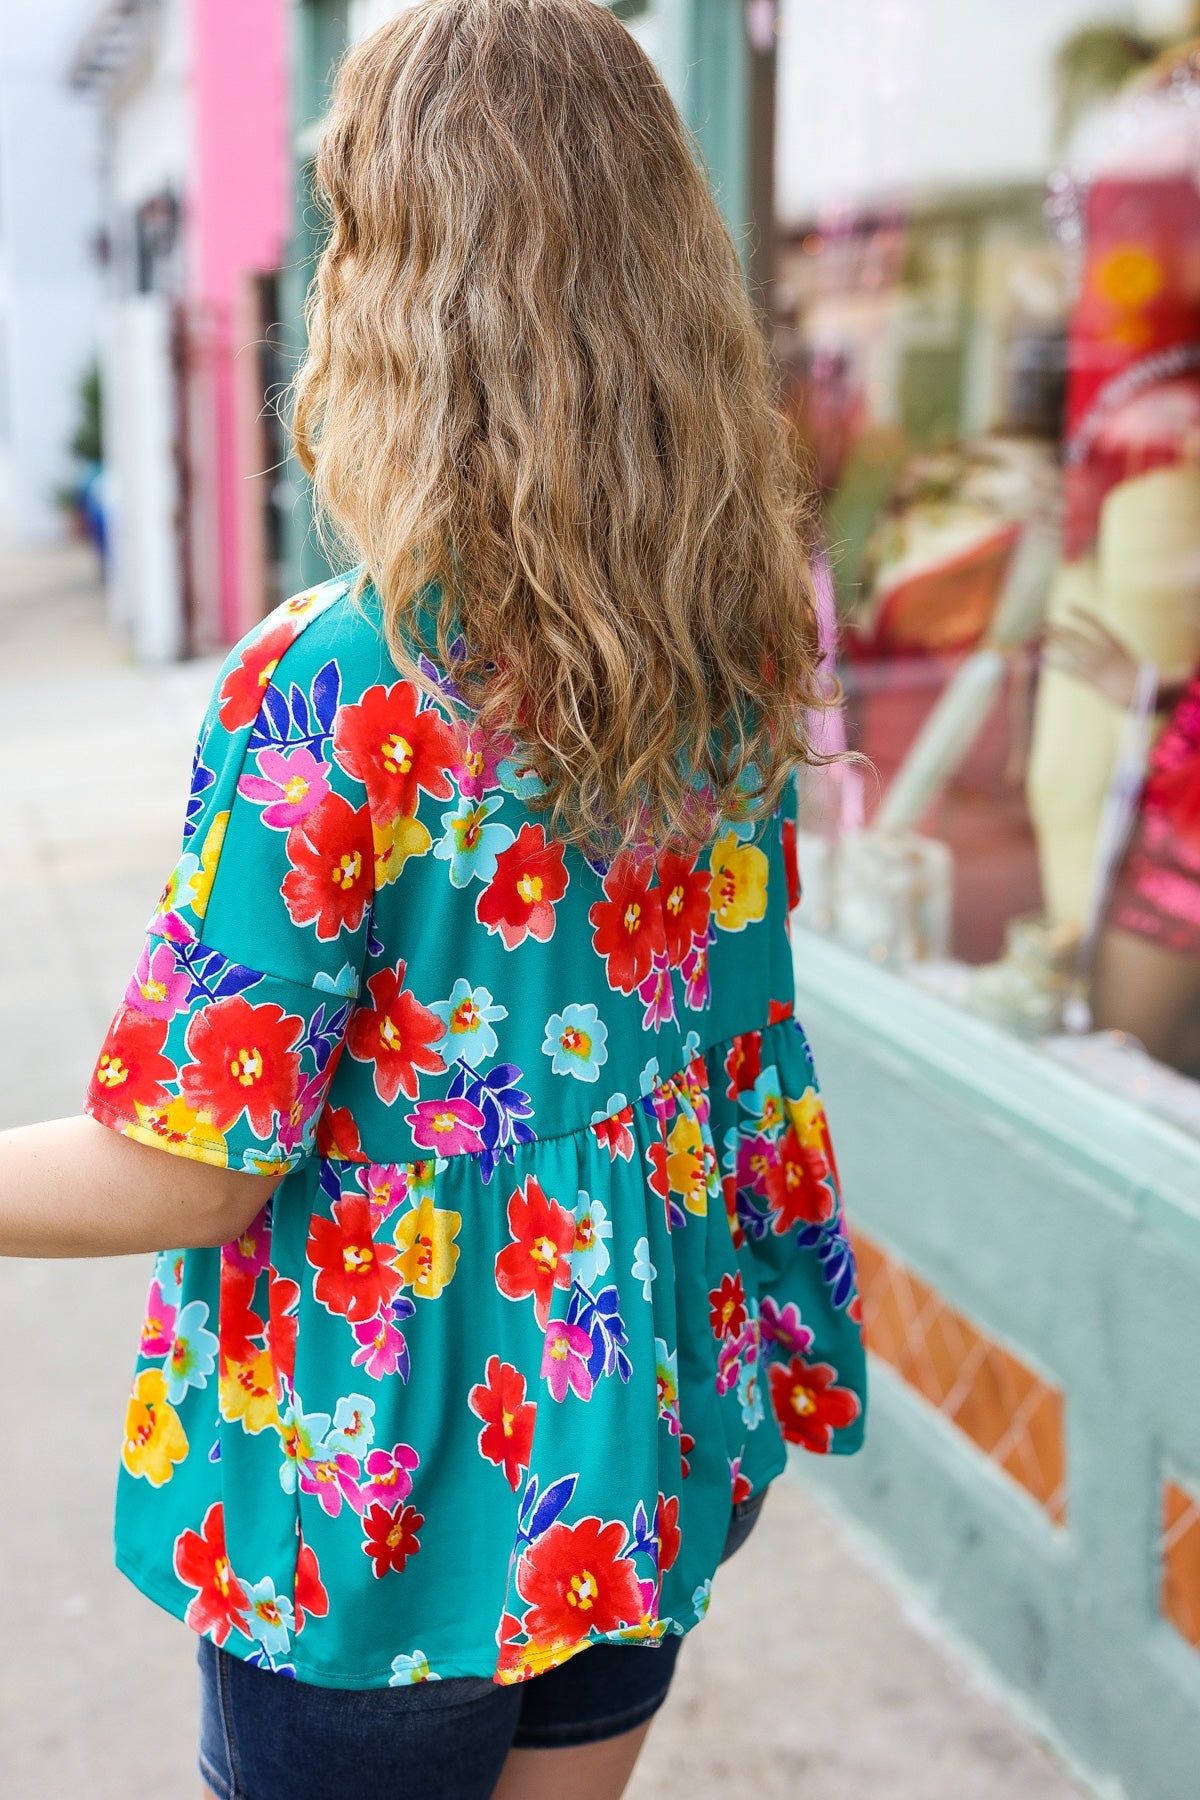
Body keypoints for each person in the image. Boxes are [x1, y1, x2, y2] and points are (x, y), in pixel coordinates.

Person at [0, 4, 866, 1796]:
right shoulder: (737, 630)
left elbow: (193, 1158)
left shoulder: (344, 685)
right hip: (633, 1432)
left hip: (378, 1496)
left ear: (394, 285)